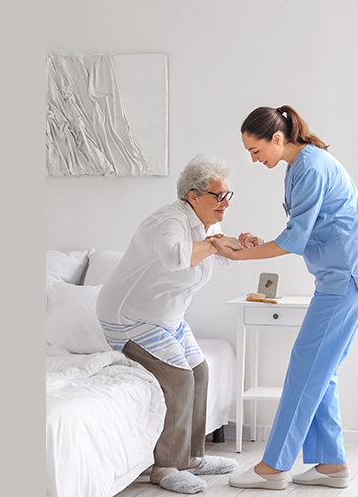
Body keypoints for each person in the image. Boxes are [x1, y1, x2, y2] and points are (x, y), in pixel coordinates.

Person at [213, 105, 358, 490]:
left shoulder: (309, 166)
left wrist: (239, 255)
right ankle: (331, 464)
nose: (253, 160)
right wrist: (255, 246)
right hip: (342, 275)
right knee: (318, 370)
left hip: (346, 275)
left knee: (306, 367)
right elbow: (299, 231)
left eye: (255, 151)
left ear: (277, 139)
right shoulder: (301, 166)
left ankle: (273, 467)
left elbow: (293, 241)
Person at [96, 154, 262, 494]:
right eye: (219, 196)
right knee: (179, 378)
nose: (225, 204)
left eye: (228, 196)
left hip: (166, 318)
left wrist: (239, 246)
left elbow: (218, 253)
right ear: (193, 195)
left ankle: (192, 459)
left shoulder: (206, 226)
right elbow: (176, 255)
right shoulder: (169, 221)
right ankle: (165, 467)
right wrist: (216, 243)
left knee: (200, 371)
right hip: (128, 318)